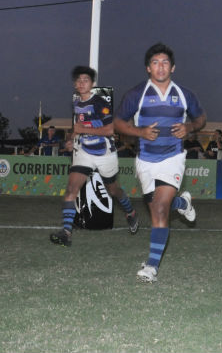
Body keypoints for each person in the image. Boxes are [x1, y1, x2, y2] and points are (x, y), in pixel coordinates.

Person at [114, 43, 206, 283]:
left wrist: (189, 127)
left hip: (173, 157)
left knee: (161, 208)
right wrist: (139, 132)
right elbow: (118, 123)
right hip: (145, 160)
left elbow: (201, 118)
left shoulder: (185, 94)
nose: (160, 66)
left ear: (173, 67)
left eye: (165, 62)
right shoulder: (137, 94)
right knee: (157, 206)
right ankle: (182, 202)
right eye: (155, 62)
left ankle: (151, 267)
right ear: (148, 68)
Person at [49, 65, 139, 247]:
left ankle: (131, 212)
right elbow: (78, 126)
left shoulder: (99, 103)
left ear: (92, 84)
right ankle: (66, 232)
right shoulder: (77, 102)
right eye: (79, 80)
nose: (82, 83)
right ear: (75, 84)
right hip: (84, 152)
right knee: (71, 189)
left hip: (105, 153)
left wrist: (83, 129)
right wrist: (72, 138)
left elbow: (110, 129)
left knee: (114, 190)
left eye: (86, 80)